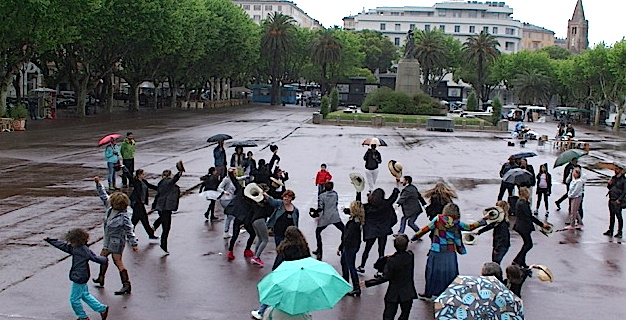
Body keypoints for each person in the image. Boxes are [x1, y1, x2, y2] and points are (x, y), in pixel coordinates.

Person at [411, 203, 488, 300]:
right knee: (450, 273)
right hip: (450, 251)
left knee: (432, 272)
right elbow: (470, 227)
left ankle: (429, 292)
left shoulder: (438, 219)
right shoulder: (457, 222)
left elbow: (425, 229)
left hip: (436, 249)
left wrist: (414, 237)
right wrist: (483, 220)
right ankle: (450, 292)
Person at [45, 229, 109, 320]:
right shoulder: (77, 248)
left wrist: (104, 259)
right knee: (84, 295)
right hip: (81, 275)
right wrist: (49, 240)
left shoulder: (81, 249)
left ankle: (83, 317)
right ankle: (101, 309)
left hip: (79, 277)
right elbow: (63, 246)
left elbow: (94, 258)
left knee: (74, 299)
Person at [251, 226, 310, 320]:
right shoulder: (304, 247)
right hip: (298, 275)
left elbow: (278, 263)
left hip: (285, 275)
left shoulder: (285, 247)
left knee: (273, 293)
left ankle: (261, 311)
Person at [92, 178, 139, 295]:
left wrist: (134, 244)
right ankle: (101, 277)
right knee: (102, 257)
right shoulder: (110, 209)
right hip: (108, 239)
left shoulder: (124, 216)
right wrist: (98, 184)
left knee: (117, 262)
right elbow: (103, 195)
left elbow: (130, 230)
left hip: (117, 241)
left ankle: (126, 284)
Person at [363, 234, 417, 320]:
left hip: (393, 292)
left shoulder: (391, 261)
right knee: (405, 315)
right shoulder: (410, 256)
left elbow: (385, 277)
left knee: (388, 315)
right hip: (408, 292)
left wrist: (368, 283)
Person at [358, 183, 400, 274]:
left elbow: (358, 207)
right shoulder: (385, 204)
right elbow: (393, 197)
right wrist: (396, 186)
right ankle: (380, 270)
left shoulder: (367, 207)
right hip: (383, 230)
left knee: (367, 249)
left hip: (371, 231)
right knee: (381, 250)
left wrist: (358, 191)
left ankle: (362, 266)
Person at [512, 187, 550, 268]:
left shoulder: (520, 202)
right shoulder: (524, 204)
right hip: (524, 226)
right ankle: (517, 260)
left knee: (526, 244)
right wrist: (541, 224)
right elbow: (530, 216)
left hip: (520, 225)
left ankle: (522, 261)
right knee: (528, 244)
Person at [225, 179, 258, 261]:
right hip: (246, 219)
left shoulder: (241, 193)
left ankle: (230, 251)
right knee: (252, 234)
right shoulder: (253, 199)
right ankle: (247, 250)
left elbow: (236, 183)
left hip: (238, 217)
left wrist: (231, 175)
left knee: (235, 236)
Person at [153, 166, 183, 253]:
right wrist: (180, 172)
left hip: (161, 206)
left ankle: (155, 226)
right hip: (166, 206)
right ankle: (163, 245)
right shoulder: (168, 182)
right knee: (166, 227)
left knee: (163, 221)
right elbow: (175, 179)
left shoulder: (161, 183)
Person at [121, 167, 158, 239]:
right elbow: (129, 177)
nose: (144, 175)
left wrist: (160, 188)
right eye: (143, 174)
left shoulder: (144, 181)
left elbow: (151, 186)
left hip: (141, 203)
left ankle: (130, 234)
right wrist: (125, 169)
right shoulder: (136, 181)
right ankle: (149, 234)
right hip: (137, 203)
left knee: (136, 220)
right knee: (143, 219)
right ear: (139, 175)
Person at [266, 190, 300, 269]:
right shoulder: (279, 204)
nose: (286, 199)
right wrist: (265, 195)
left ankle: (281, 267)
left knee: (286, 251)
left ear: (292, 199)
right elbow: (271, 201)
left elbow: (296, 222)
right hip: (278, 233)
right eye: (285, 197)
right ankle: (275, 268)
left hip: (289, 235)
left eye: (288, 197)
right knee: (281, 251)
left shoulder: (295, 210)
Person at [338, 200, 364, 297]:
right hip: (353, 245)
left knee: (350, 266)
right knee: (345, 263)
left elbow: (346, 236)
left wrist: (341, 246)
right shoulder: (357, 221)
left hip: (349, 246)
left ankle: (355, 287)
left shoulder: (353, 223)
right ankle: (347, 284)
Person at [313, 182, 345, 260]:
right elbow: (336, 203)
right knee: (344, 230)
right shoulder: (335, 194)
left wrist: (315, 213)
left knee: (318, 232)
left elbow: (320, 207)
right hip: (334, 216)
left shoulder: (321, 196)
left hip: (325, 217)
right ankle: (342, 246)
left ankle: (319, 250)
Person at [218, 168, 246, 238]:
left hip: (229, 200)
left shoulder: (233, 179)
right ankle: (231, 230)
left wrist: (247, 176)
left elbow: (239, 179)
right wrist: (224, 192)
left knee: (230, 216)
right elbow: (219, 187)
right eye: (235, 173)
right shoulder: (226, 179)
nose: (236, 175)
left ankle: (228, 231)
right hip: (225, 200)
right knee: (232, 215)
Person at [605, 166, 626, 238]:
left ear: (621, 170)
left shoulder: (624, 180)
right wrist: (609, 184)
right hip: (611, 198)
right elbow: (609, 187)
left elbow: (624, 191)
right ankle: (611, 230)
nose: (615, 170)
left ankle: (620, 232)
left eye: (617, 169)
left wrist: (619, 199)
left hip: (617, 200)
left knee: (619, 216)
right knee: (612, 216)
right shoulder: (613, 178)